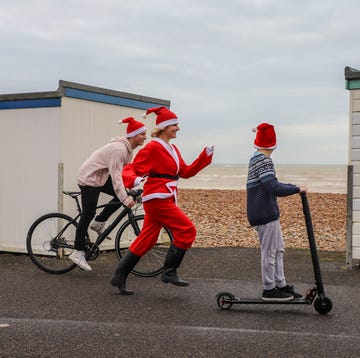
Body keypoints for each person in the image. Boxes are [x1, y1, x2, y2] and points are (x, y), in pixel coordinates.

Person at [110, 106, 214, 295]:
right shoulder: (152, 147)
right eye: (174, 124)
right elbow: (130, 169)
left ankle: (119, 275)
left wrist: (204, 157)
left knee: (147, 239)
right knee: (187, 229)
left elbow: (186, 172)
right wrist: (134, 180)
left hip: (165, 197)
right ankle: (169, 271)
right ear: (164, 127)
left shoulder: (173, 149)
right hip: (157, 198)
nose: (178, 128)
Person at [69, 117, 147, 271]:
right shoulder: (119, 150)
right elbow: (116, 177)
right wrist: (125, 197)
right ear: (132, 135)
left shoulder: (128, 151)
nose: (145, 137)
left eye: (145, 134)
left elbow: (123, 175)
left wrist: (133, 187)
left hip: (101, 177)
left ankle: (99, 222)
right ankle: (77, 252)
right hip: (90, 178)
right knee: (88, 213)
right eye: (142, 134)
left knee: (121, 196)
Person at [246, 123, 307, 301]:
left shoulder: (257, 158)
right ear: (274, 143)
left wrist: (294, 187)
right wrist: (296, 189)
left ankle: (281, 284)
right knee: (270, 251)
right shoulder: (263, 160)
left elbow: (272, 183)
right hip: (264, 213)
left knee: (278, 249)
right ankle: (269, 288)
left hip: (266, 211)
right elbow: (273, 187)